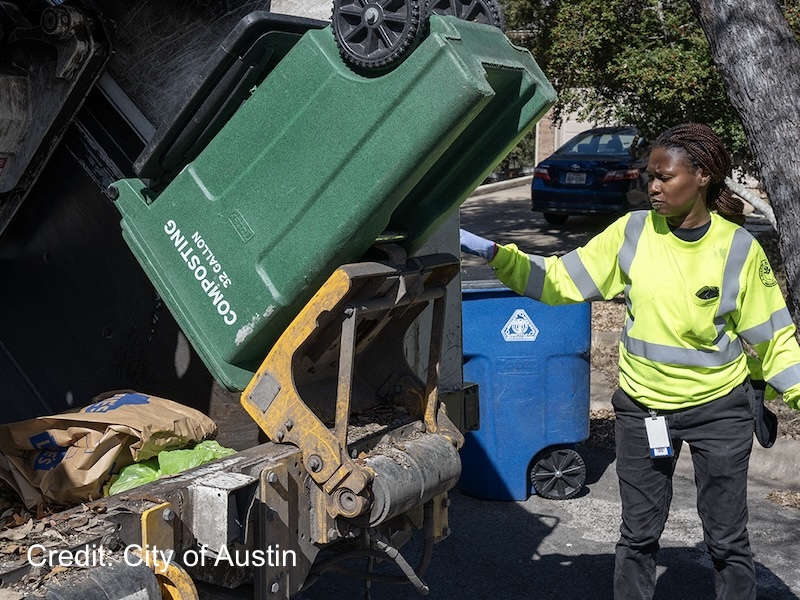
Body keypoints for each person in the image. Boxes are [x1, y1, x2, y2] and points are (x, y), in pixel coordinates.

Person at [460, 122, 800, 600]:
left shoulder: (737, 249)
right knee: (638, 536)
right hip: (644, 414)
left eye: (664, 176)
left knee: (727, 540)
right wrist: (498, 255)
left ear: (702, 176)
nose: (652, 186)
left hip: (718, 412)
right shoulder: (632, 232)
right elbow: (560, 281)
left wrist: (790, 389)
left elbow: (775, 337)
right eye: (648, 176)